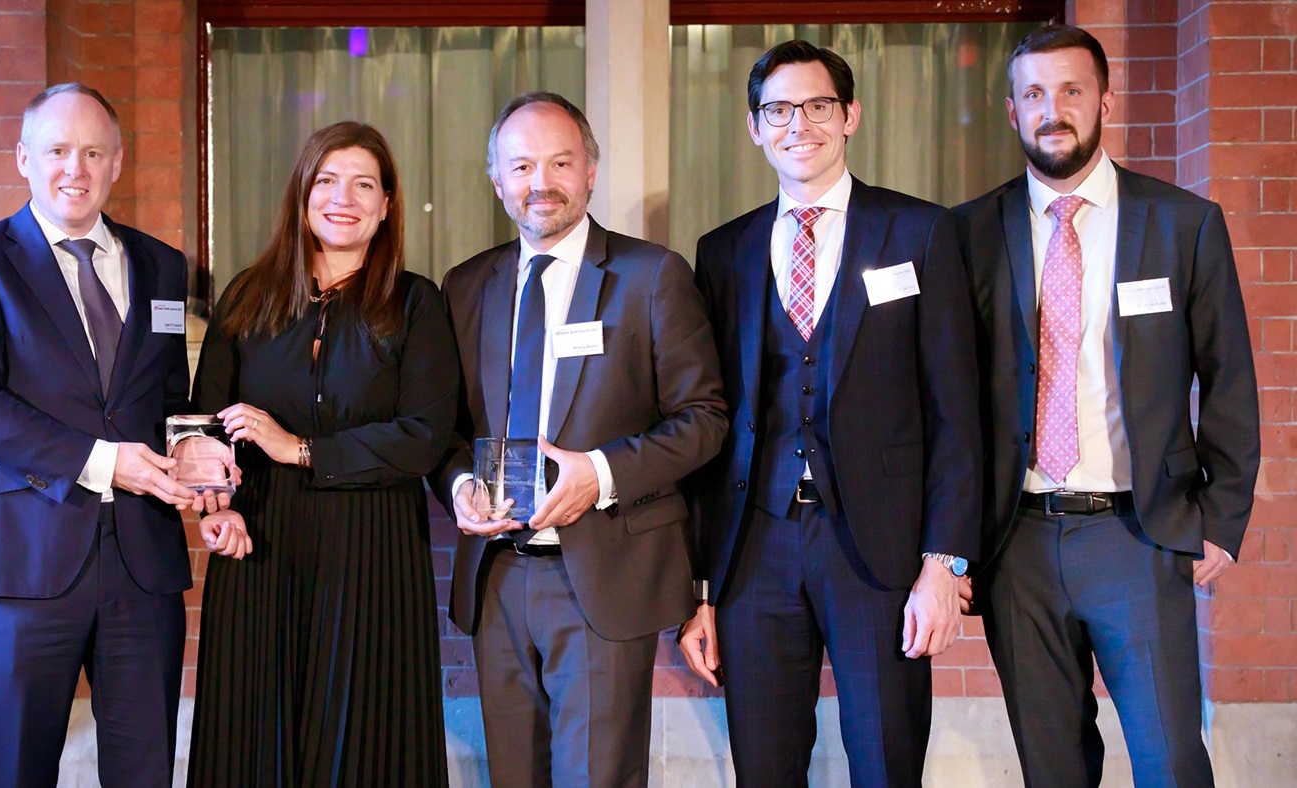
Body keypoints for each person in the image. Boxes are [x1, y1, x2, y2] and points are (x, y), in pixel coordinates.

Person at [952, 24, 1259, 787]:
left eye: (1071, 90)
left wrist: (1222, 517)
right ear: (1012, 111)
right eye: (1033, 94)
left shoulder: (1182, 223)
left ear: (1105, 102)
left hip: (1139, 536)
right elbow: (947, 398)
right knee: (1052, 767)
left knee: (1170, 761)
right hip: (1016, 543)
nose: (1051, 109)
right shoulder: (966, 234)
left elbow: (1228, 378)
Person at [677, 40, 982, 787]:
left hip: (880, 554)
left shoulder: (920, 232)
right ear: (755, 128)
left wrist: (944, 564)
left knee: (886, 761)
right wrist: (701, 589)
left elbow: (957, 413)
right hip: (756, 549)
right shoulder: (723, 252)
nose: (799, 125)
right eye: (778, 110)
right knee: (764, 767)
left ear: (850, 116)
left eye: (818, 106)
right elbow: (710, 423)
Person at [430, 91, 727, 787]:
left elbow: (704, 418)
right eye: (522, 166)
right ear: (497, 180)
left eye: (560, 162)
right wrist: (459, 484)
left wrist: (601, 471)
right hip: (497, 576)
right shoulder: (465, 286)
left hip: (602, 572)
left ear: (591, 171)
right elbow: (444, 431)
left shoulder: (651, 276)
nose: (541, 182)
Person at [0, 83, 214, 788]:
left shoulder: (161, 266)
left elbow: (167, 396)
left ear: (117, 162)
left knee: (145, 771)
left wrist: (193, 448)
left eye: (92, 152)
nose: (74, 169)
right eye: (57, 150)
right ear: (23, 158)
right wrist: (104, 461)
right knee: (18, 772)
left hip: (143, 563)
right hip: (23, 557)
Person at [187, 122, 459, 785]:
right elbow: (203, 427)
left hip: (372, 553)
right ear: (303, 193)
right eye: (328, 181)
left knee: (362, 746)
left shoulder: (417, 303)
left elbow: (424, 436)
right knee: (253, 744)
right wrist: (216, 506)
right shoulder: (246, 297)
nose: (344, 198)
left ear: (387, 205)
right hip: (259, 547)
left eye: (364, 185)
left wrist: (301, 448)